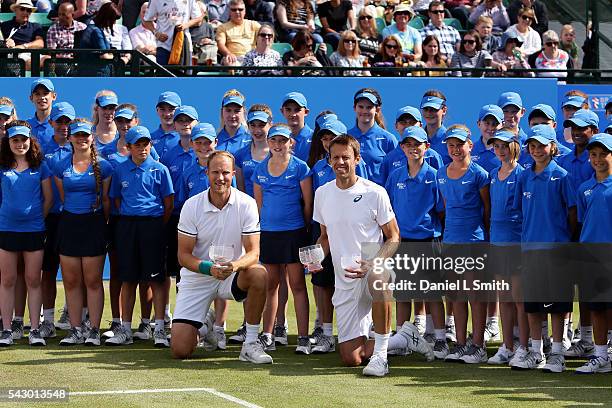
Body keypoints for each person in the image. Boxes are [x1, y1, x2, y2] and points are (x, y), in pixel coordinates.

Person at [313, 135, 413, 377]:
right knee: (351, 358)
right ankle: (403, 338)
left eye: (346, 157)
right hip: (344, 277)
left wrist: (374, 262)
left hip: (373, 264)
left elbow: (394, 236)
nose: (340, 162)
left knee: (378, 276)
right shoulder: (322, 193)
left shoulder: (374, 192)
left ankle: (380, 357)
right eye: (335, 157)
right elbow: (324, 237)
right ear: (329, 161)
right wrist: (316, 257)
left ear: (357, 159)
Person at [171, 150, 272, 364]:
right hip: (198, 276)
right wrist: (209, 268)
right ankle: (205, 324)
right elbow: (183, 256)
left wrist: (234, 266)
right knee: (180, 350)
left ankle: (250, 343)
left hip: (232, 274)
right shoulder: (192, 206)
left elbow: (254, 253)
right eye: (215, 172)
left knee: (259, 273)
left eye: (225, 172)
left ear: (233, 173)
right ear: (206, 173)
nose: (220, 177)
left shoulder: (247, 204)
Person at [510, 124, 577, 373]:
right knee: (534, 305)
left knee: (557, 305)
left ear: (553, 147)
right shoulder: (525, 176)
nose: (537, 150)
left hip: (556, 249)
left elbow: (571, 213)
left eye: (542, 145)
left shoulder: (562, 176)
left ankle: (557, 353)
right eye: (533, 146)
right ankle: (536, 352)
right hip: (530, 250)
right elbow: (520, 211)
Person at [106, 126, 174, 347]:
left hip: (153, 226)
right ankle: (125, 329)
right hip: (127, 226)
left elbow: (168, 204)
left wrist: (152, 222)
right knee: (128, 279)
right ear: (129, 147)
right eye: (138, 144)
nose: (143, 148)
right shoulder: (120, 170)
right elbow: (116, 200)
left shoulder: (160, 169)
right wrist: (133, 217)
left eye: (146, 144)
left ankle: (160, 329)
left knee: (155, 279)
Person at [383, 126, 446, 359]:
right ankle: (401, 339)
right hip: (402, 242)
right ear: (402, 148)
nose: (412, 148)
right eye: (408, 144)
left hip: (428, 240)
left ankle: (440, 339)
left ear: (426, 147)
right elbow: (388, 208)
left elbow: (441, 209)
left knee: (431, 293)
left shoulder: (433, 175)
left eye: (417, 144)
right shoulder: (395, 175)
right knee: (402, 293)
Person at [252, 124, 312, 354]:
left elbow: (307, 204)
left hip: (294, 233)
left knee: (297, 284)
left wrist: (302, 228)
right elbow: (259, 204)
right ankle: (268, 335)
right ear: (269, 142)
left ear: (291, 143)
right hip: (269, 234)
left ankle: (304, 338)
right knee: (271, 286)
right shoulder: (259, 169)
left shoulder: (300, 168)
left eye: (283, 141)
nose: (278, 145)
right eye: (274, 140)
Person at [53, 119, 112, 346]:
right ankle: (76, 329)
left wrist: (99, 224)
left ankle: (94, 330)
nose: (81, 139)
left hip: (93, 225)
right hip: (69, 225)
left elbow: (106, 200)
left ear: (92, 137)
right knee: (71, 281)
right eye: (76, 135)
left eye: (85, 135)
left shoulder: (104, 167)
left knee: (93, 281)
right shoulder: (61, 166)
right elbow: (63, 197)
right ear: (70, 138)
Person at [436, 125, 491, 364]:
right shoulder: (441, 173)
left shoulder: (479, 174)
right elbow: (447, 207)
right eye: (451, 145)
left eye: (460, 144)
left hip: (474, 241)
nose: (456, 149)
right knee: (455, 295)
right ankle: (460, 344)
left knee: (475, 295)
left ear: (470, 145)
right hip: (451, 241)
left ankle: (478, 345)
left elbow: (486, 209)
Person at [0, 121, 53, 347]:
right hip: (6, 230)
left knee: (33, 279)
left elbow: (48, 198)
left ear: (30, 140)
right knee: (8, 279)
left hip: (33, 230)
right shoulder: (2, 166)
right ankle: (6, 329)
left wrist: (34, 219)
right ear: (8, 142)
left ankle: (34, 330)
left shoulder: (40, 166)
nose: (20, 144)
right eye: (15, 140)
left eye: (23, 139)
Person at [485, 128, 528, 365]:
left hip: (516, 241)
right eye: (496, 146)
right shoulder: (493, 173)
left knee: (520, 297)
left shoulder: (523, 174)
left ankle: (524, 345)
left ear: (514, 146)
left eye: (504, 145)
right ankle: (508, 346)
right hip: (497, 240)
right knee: (505, 297)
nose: (500, 150)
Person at [37, 102, 76, 340]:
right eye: (59, 121)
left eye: (67, 122)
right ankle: (48, 321)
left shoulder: (81, 147)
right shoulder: (40, 149)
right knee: (49, 270)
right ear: (51, 123)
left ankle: (78, 321)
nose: (63, 126)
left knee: (76, 274)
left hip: (74, 217)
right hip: (50, 217)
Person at [575, 133, 612, 374]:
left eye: (603, 154)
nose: (597, 159)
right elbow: (581, 221)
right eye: (593, 154)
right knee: (597, 307)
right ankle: (600, 356)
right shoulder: (584, 188)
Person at [378, 106, 443, 185]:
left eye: (412, 122)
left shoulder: (433, 156)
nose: (408, 126)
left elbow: (442, 186)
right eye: (403, 122)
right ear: (396, 126)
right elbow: (384, 189)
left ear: (420, 126)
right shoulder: (389, 158)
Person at [347, 88, 398, 185]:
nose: (364, 111)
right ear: (354, 108)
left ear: (377, 110)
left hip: (377, 197)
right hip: (350, 196)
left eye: (369, 107)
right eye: (361, 107)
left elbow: (396, 173)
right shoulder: (345, 137)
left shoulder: (388, 139)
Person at [143, 0, 203, 65]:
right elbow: (147, 20)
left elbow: (199, 18)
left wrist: (186, 25)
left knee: (184, 74)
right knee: (164, 74)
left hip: (183, 46)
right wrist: (156, 33)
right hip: (164, 46)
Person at [235, 105, 271, 198]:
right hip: (250, 209)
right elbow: (241, 192)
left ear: (270, 124)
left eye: (261, 125)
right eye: (253, 125)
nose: (257, 130)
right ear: (248, 125)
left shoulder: (279, 153)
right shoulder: (240, 155)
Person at [0, 0, 44, 69]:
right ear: (15, 10)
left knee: (48, 59)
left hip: (32, 54)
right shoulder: (5, 25)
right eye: (22, 9)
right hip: (15, 56)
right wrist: (6, 43)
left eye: (29, 10)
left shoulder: (36, 26)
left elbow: (40, 43)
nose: (25, 12)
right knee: (29, 62)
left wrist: (23, 46)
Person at [215, 0, 260, 66]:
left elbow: (266, 38)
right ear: (229, 12)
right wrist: (228, 54)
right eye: (234, 10)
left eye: (240, 9)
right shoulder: (222, 27)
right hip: (233, 58)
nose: (237, 12)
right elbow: (220, 44)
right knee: (230, 63)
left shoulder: (254, 25)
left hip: (252, 57)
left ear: (245, 11)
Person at [96, 2, 132, 66]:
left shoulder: (122, 29)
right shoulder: (96, 30)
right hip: (104, 61)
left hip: (120, 60)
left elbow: (127, 48)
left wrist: (127, 57)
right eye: (113, 19)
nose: (114, 22)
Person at [216, 90, 251, 155]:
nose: (232, 115)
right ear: (222, 112)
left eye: (237, 111)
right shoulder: (214, 140)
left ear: (244, 112)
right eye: (228, 110)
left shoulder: (251, 139)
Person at [471, 104, 504, 173]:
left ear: (503, 125)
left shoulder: (508, 150)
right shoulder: (470, 150)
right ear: (479, 124)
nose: (491, 127)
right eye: (487, 123)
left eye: (495, 124)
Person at [27, 78, 57, 152]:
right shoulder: (25, 126)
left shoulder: (60, 125)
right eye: (37, 94)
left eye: (45, 93)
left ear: (54, 96)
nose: (42, 97)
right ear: (31, 98)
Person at [420, 90, 449, 163]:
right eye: (426, 109)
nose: (429, 113)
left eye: (434, 109)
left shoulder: (451, 140)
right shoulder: (416, 139)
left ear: (444, 110)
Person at [151, 91, 181, 158]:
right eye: (162, 109)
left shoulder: (187, 138)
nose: (167, 114)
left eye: (171, 109)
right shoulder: (149, 138)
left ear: (179, 111)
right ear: (157, 111)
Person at [91, 91, 118, 159]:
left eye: (111, 108)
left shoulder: (124, 134)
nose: (108, 112)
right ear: (96, 108)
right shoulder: (88, 135)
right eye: (104, 108)